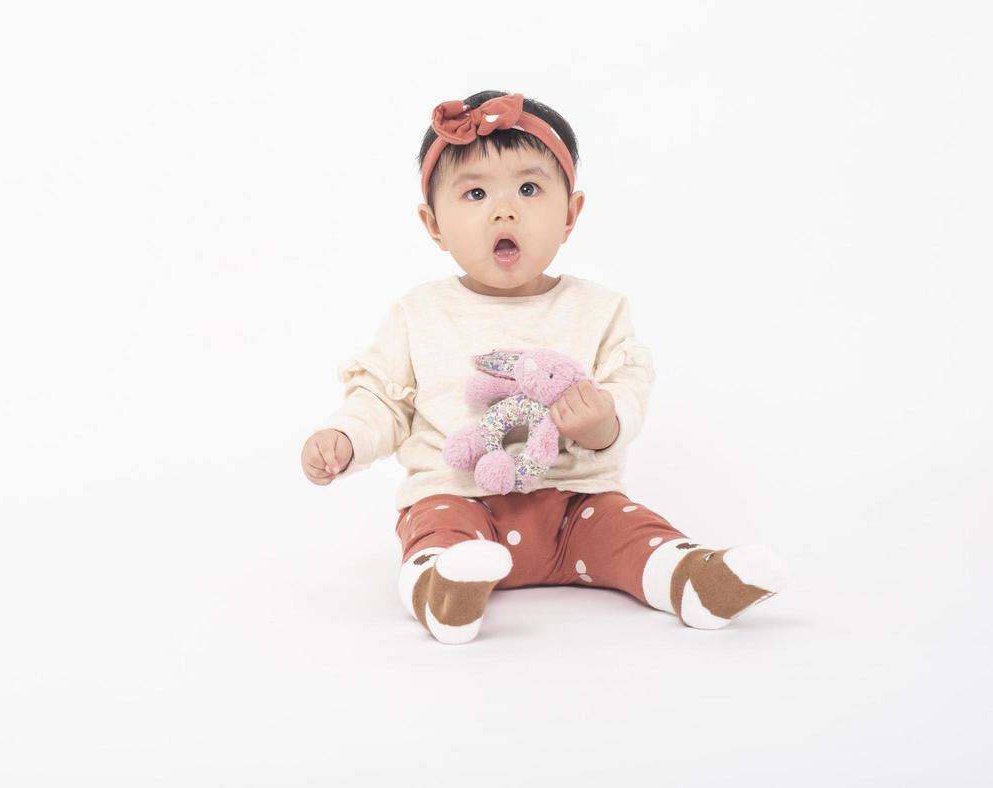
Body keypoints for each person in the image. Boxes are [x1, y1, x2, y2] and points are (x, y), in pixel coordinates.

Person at [301, 90, 783, 644]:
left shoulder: (599, 310)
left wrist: (602, 424)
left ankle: (690, 578)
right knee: (437, 533)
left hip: (575, 506)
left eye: (529, 189)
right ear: (433, 225)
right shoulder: (419, 314)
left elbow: (627, 389)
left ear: (570, 214)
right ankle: (445, 589)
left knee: (628, 529)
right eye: (475, 193)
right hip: (458, 497)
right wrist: (345, 436)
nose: (505, 210)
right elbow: (382, 401)